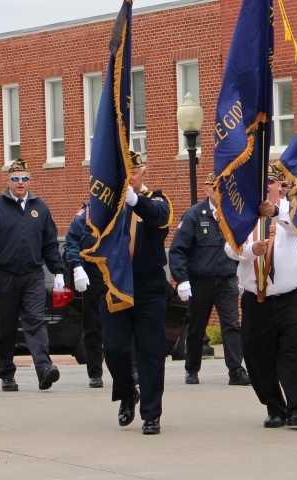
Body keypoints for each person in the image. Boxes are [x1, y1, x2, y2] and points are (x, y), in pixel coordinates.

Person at [225, 164, 297, 428]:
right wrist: (252, 249)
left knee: (295, 352)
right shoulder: (242, 215)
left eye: (270, 182)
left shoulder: (294, 210)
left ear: (281, 186)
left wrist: (275, 213)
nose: (265, 187)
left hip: (291, 297)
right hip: (256, 299)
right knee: (258, 356)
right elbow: (230, 248)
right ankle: (275, 408)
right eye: (260, 182)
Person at [92, 152, 172, 435]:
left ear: (142, 174)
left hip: (148, 287)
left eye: (133, 175)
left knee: (151, 352)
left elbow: (160, 217)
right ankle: (128, 393)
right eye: (124, 176)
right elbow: (89, 235)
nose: (129, 180)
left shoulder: (157, 200)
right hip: (115, 286)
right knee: (113, 349)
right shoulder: (109, 207)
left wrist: (135, 201)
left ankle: (151, 414)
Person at [0, 158, 66, 392]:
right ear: (8, 180)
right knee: (6, 326)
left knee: (35, 322)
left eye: (25, 178)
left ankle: (44, 368)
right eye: (16, 178)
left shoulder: (40, 207)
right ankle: (7, 373)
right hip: (4, 275)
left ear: (30, 180)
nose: (20, 182)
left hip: (33, 275)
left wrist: (58, 271)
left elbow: (49, 243)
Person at [169, 173, 250, 386]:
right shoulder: (195, 215)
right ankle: (192, 368)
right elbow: (178, 250)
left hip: (226, 280)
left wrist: (241, 275)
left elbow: (242, 247)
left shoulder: (233, 215)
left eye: (222, 189)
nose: (219, 193)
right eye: (215, 189)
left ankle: (236, 370)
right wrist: (182, 279)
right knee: (197, 326)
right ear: (207, 190)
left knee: (232, 324)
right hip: (200, 280)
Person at [64, 203, 104, 388]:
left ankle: (130, 369)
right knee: (92, 325)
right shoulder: (85, 214)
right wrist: (78, 267)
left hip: (117, 273)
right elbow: (72, 242)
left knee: (123, 324)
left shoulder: (120, 207)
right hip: (93, 274)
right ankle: (95, 372)